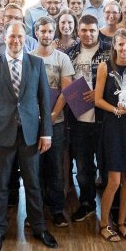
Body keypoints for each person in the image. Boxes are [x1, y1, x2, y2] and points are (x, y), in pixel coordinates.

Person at [0, 21, 58, 251]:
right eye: (12, 37)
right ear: (4, 38)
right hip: (2, 135)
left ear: (26, 38)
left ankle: (39, 228)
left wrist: (46, 132)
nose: (16, 41)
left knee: (34, 183)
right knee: (0, 185)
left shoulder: (36, 63)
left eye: (20, 37)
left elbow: (45, 102)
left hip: (30, 136)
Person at [94, 29, 126, 242]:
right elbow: (97, 100)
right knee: (114, 180)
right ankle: (104, 223)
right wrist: (115, 110)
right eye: (121, 44)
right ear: (114, 45)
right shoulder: (104, 67)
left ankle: (122, 222)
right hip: (113, 126)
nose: (125, 48)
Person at [64, 15, 111, 223]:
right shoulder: (70, 53)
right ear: (78, 31)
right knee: (83, 168)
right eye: (84, 30)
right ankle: (87, 204)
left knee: (107, 164)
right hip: (79, 118)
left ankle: (113, 205)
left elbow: (121, 80)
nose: (88, 34)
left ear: (97, 31)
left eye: (92, 30)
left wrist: (99, 95)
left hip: (105, 118)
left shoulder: (110, 50)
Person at [30, 17, 76, 227]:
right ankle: (35, 213)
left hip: (56, 122)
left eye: (50, 31)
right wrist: (37, 116)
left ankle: (57, 210)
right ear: (36, 33)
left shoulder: (62, 59)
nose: (46, 35)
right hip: (33, 124)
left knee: (56, 169)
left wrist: (52, 116)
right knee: (34, 170)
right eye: (43, 31)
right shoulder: (28, 57)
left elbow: (66, 91)